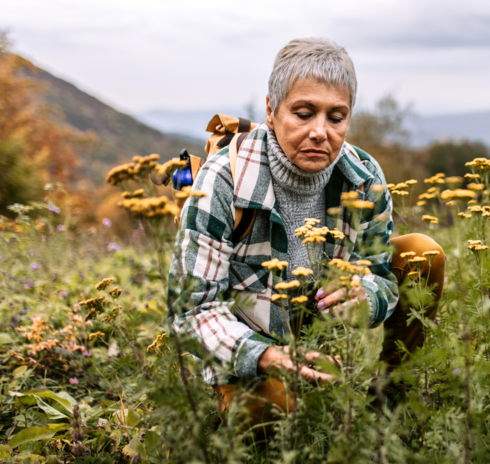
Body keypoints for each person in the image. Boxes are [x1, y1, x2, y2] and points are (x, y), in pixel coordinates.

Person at [167, 38, 445, 423]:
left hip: (320, 326)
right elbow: (190, 310)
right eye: (303, 113)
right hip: (253, 343)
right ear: (271, 109)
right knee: (273, 415)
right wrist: (264, 356)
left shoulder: (363, 177)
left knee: (422, 252)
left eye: (336, 117)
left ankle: (389, 406)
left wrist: (366, 294)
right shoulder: (223, 181)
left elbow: (380, 275)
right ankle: (245, 403)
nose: (320, 132)